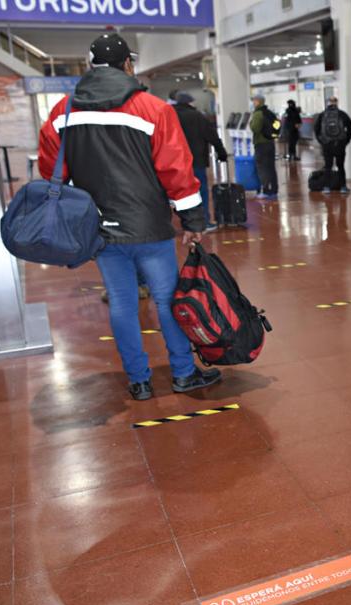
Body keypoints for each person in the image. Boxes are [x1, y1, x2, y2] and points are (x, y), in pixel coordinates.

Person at [38, 33, 221, 401]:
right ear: (128, 65)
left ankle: (138, 380)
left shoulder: (64, 111)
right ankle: (184, 373)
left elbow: (50, 170)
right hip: (149, 225)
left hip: (99, 228)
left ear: (91, 66)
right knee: (166, 299)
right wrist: (193, 222)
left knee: (122, 303)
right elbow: (177, 172)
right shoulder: (153, 109)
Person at [173, 93, 229, 231]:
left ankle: (186, 223)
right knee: (200, 191)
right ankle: (203, 222)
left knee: (180, 194)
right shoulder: (197, 116)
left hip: (176, 163)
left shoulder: (170, 115)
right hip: (196, 160)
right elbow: (212, 136)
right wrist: (221, 152)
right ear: (190, 103)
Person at [313, 95, 351, 195]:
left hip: (327, 145)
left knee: (328, 166)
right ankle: (343, 187)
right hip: (340, 144)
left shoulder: (322, 115)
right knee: (340, 166)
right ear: (336, 103)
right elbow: (350, 128)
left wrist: (322, 142)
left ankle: (327, 188)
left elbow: (316, 130)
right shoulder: (342, 114)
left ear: (327, 103)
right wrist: (345, 141)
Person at [249, 94, 279, 200]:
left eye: (254, 101)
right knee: (271, 167)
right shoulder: (270, 113)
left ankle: (266, 190)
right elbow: (277, 126)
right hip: (270, 143)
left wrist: (251, 123)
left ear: (258, 102)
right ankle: (274, 190)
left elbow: (255, 129)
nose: (253, 103)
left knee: (262, 167)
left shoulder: (258, 114)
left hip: (261, 144)